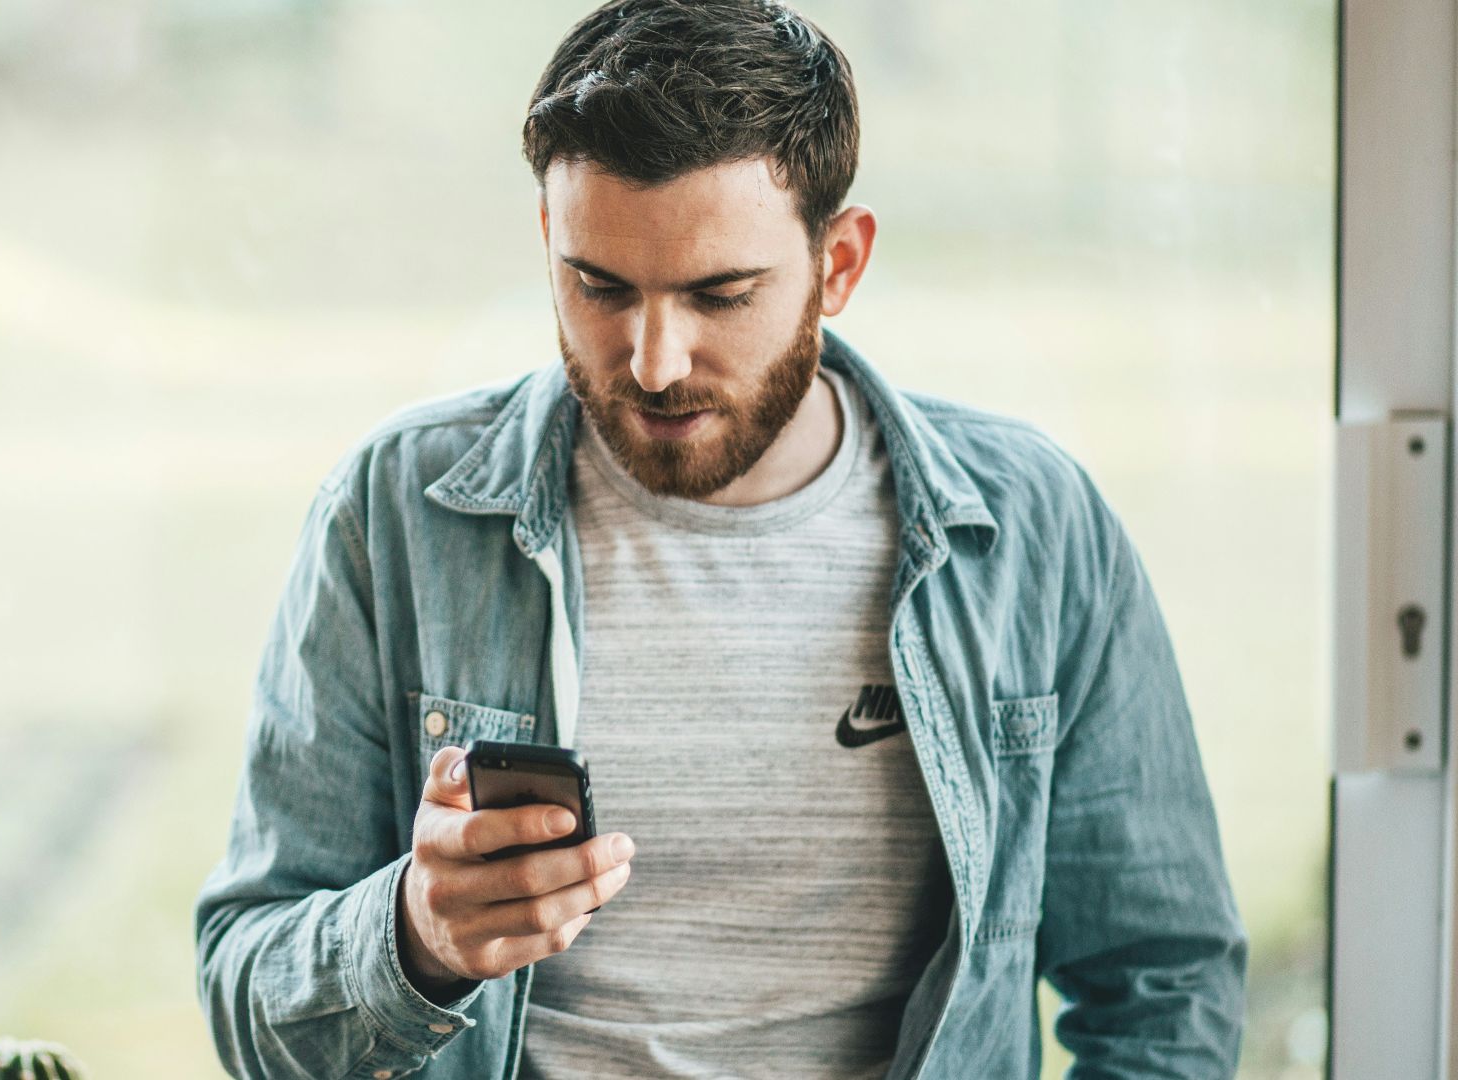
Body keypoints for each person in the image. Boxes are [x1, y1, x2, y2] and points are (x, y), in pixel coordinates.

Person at [193, 1, 1247, 1076]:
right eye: (598, 286)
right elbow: (247, 991)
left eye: (720, 294)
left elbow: (1164, 986)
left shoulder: (1035, 529)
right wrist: (416, 937)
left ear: (838, 263)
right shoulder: (397, 512)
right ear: (549, 242)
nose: (653, 360)